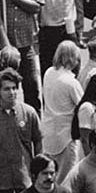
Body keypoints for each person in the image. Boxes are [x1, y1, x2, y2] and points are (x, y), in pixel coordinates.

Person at [39, 41, 83, 180]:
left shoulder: (48, 73)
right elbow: (83, 106)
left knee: (50, 176)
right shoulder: (71, 82)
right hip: (66, 136)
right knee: (66, 179)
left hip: (48, 132)